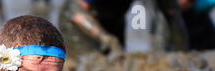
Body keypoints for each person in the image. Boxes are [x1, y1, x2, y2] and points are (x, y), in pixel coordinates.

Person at [59, 0, 189, 58]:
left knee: (117, 63)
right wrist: (105, 39)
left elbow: (171, 13)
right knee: (87, 64)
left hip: (114, 18)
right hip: (79, 21)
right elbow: (77, 12)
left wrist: (180, 54)